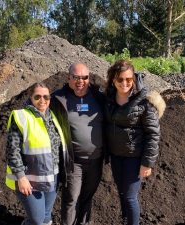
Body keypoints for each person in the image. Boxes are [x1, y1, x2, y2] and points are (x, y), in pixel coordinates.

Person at [104, 60, 166, 225]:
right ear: (113, 80)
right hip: (117, 156)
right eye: (120, 79)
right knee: (122, 194)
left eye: (128, 79)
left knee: (130, 197)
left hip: (135, 158)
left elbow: (153, 134)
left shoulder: (144, 102)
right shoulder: (109, 98)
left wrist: (147, 163)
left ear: (134, 80)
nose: (124, 83)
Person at [5, 82, 70, 225]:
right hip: (30, 179)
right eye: (38, 97)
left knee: (46, 216)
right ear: (30, 97)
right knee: (37, 219)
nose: (42, 101)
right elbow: (12, 150)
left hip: (52, 176)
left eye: (46, 97)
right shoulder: (21, 117)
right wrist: (21, 178)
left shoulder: (52, 117)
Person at [50, 63, 105, 225]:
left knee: (87, 198)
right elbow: (35, 103)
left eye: (84, 77)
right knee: (71, 198)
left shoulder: (99, 97)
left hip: (96, 160)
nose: (80, 81)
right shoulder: (58, 98)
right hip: (74, 162)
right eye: (76, 77)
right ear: (69, 79)